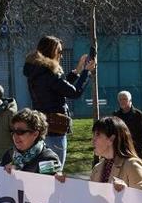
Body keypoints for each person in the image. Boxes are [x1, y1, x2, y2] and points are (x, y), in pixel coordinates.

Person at [23, 36, 93, 164]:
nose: (61, 55)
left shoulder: (37, 71)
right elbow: (74, 92)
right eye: (59, 52)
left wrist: (78, 71)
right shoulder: (49, 73)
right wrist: (86, 72)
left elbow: (58, 88)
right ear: (50, 52)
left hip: (41, 127)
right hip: (55, 129)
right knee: (55, 170)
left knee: (44, 168)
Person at [113, 90, 142, 160]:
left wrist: (139, 148)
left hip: (136, 150)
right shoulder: (116, 115)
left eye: (125, 99)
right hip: (121, 151)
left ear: (130, 100)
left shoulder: (138, 115)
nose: (122, 101)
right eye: (120, 99)